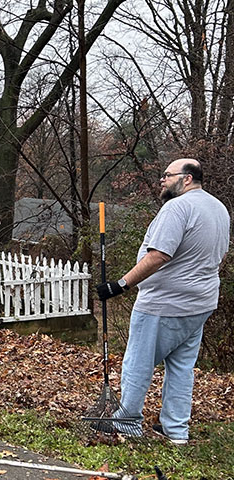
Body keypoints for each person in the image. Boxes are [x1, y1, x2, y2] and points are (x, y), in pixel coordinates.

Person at [95, 158, 230, 444]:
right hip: (201, 303)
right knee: (181, 367)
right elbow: (221, 255)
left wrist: (120, 285)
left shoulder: (177, 207)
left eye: (168, 175)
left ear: (187, 178)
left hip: (163, 304)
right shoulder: (218, 208)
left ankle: (127, 423)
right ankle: (176, 430)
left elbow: (159, 255)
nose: (162, 180)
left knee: (138, 363)